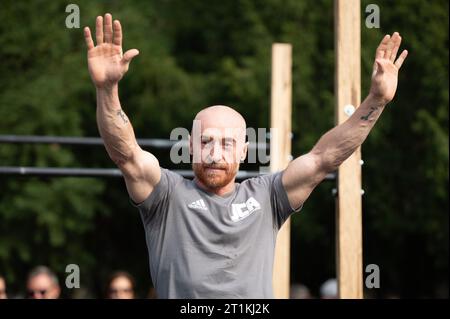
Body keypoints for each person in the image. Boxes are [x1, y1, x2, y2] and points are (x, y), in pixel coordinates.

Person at [84, 14, 408, 298]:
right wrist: (107, 89)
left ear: (243, 150)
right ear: (190, 147)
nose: (215, 152)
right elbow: (126, 154)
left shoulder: (268, 196)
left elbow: (325, 156)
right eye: (206, 141)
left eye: (226, 144)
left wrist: (376, 100)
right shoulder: (166, 196)